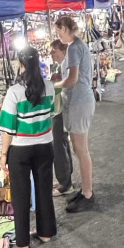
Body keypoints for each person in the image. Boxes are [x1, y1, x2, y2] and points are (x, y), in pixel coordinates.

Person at [0, 46, 58, 248]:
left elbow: (8, 128)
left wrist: (3, 155)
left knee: (21, 195)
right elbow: (50, 112)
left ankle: (23, 242)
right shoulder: (49, 87)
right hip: (44, 147)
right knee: (44, 190)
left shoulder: (14, 92)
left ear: (21, 65)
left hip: (20, 150)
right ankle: (46, 232)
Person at [54, 16, 97, 212]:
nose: (57, 35)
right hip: (78, 101)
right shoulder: (76, 46)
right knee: (78, 150)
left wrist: (54, 86)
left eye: (58, 31)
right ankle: (84, 189)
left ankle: (87, 194)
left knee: (81, 150)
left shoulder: (73, 48)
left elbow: (72, 79)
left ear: (64, 28)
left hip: (80, 102)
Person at [49, 39, 74, 195]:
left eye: (54, 50)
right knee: (62, 142)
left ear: (63, 51)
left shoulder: (66, 66)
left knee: (58, 144)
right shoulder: (61, 65)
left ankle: (65, 183)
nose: (52, 53)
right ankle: (66, 179)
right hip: (61, 107)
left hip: (61, 108)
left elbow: (67, 84)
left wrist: (52, 85)